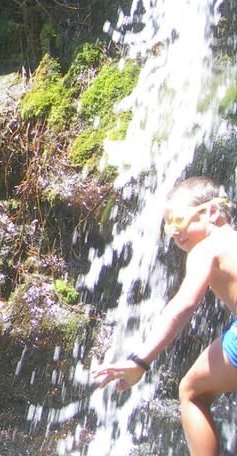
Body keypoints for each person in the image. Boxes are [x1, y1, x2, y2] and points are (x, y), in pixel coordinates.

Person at [92, 176, 237, 456]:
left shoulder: (207, 247)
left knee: (192, 392)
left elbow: (183, 304)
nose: (173, 231)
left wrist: (140, 361)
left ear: (212, 212)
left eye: (180, 220)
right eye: (168, 225)